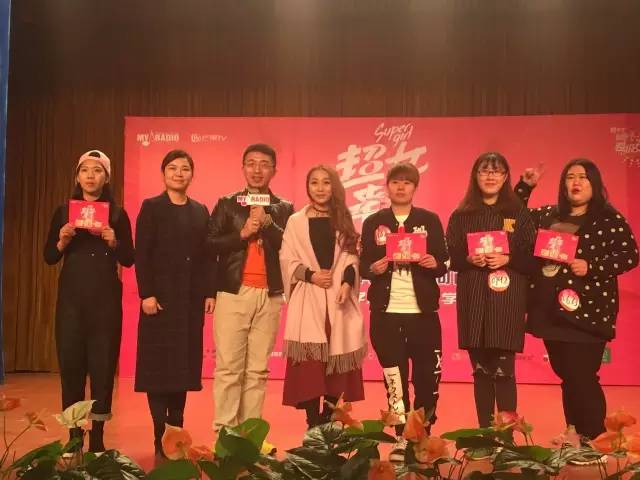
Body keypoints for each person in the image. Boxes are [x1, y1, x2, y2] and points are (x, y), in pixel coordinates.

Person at [516, 158, 639, 441]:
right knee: (567, 374)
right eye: (570, 177)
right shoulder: (548, 215)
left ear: (594, 183)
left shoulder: (609, 219)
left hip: (588, 311)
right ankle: (574, 432)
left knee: (582, 375)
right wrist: (524, 187)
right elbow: (515, 221)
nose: (576, 182)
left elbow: (630, 255)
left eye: (583, 177)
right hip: (550, 310)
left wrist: (592, 266)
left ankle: (595, 437)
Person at [44, 150, 134, 452]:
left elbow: (129, 259)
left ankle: (97, 438)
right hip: (71, 303)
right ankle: (73, 438)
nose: (91, 176)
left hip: (105, 304)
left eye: (97, 171)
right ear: (77, 176)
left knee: (102, 369)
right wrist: (62, 240)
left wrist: (114, 241)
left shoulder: (117, 215)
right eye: (85, 170)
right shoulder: (63, 212)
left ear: (106, 178)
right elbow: (49, 256)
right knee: (71, 369)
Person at [360, 162, 449, 462]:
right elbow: (363, 264)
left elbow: (444, 262)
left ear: (415, 187)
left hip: (423, 313)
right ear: (387, 186)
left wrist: (433, 263)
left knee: (426, 379)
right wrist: (372, 269)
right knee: (394, 381)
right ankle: (400, 436)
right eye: (395, 182)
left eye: (407, 182)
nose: (401, 187)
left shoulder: (429, 220)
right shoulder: (374, 222)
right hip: (386, 314)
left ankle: (421, 436)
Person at [446, 152, 536, 434]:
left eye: (496, 171)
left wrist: (508, 259)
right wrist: (468, 259)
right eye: (484, 170)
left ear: (506, 177)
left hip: (507, 300)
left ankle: (506, 438)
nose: (490, 176)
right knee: (481, 371)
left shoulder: (518, 213)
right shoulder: (461, 215)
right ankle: (485, 434)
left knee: (504, 371)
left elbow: (532, 258)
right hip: (473, 298)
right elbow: (452, 257)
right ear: (475, 176)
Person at [134, 149, 215, 458]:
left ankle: (176, 431)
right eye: (173, 168)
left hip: (189, 302)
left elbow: (207, 257)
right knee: (158, 370)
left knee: (182, 369)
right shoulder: (152, 207)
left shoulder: (200, 211)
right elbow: (143, 253)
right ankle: (160, 435)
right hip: (159, 302)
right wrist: (147, 294)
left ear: (192, 174)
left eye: (185, 168)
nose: (179, 173)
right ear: (163, 173)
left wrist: (209, 292)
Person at [207, 143, 293, 430]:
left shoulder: (284, 208)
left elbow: (291, 247)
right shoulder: (227, 203)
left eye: (264, 164)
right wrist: (242, 234)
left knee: (257, 371)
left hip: (270, 295)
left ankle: (250, 434)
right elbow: (209, 244)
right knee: (229, 368)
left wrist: (268, 224)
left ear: (274, 170)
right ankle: (225, 434)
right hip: (234, 292)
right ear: (243, 168)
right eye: (251, 163)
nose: (257, 170)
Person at [279, 165, 366, 428]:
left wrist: (347, 284)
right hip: (308, 298)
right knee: (310, 366)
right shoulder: (296, 221)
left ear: (334, 186)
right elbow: (286, 258)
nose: (320, 188)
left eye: (326, 182)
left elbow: (351, 257)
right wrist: (311, 275)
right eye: (314, 182)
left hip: (337, 301)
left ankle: (329, 423)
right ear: (307, 187)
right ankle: (313, 424)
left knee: (335, 364)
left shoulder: (343, 218)